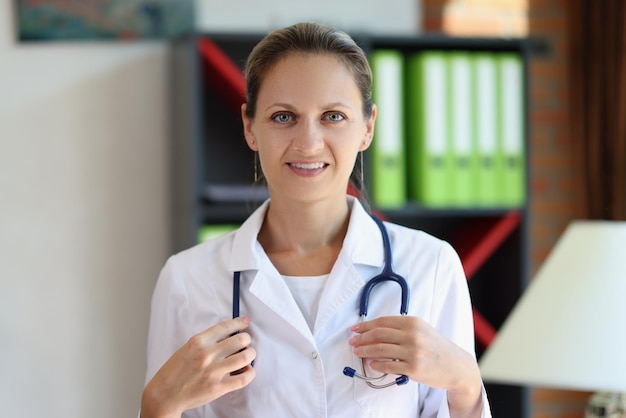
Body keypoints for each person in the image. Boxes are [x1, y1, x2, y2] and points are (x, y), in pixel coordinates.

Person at [141, 22, 492, 418]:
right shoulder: (188, 280)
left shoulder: (431, 266)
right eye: (283, 117)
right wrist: (155, 407)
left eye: (333, 116)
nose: (308, 143)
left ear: (368, 127)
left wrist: (465, 382)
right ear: (249, 126)